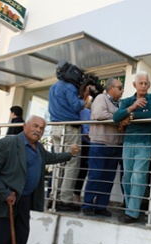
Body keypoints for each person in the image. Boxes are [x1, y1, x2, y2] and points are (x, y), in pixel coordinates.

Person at [0, 115, 79, 244]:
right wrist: (4, 192)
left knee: (18, 241)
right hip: (6, 202)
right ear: (25, 126)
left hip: (25, 201)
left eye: (42, 128)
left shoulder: (38, 148)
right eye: (35, 126)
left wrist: (70, 154)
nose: (38, 130)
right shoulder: (7, 144)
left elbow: (51, 158)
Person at [113, 71, 151, 223]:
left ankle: (132, 212)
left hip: (144, 142)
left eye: (146, 83)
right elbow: (116, 117)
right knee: (127, 177)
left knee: (138, 176)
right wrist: (133, 107)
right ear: (134, 85)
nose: (144, 86)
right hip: (128, 142)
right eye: (141, 83)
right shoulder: (127, 101)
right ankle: (129, 207)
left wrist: (130, 116)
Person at [48, 64, 89, 211]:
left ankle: (54, 197)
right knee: (72, 163)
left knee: (59, 163)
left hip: (55, 128)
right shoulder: (68, 87)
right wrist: (86, 100)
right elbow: (76, 106)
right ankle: (65, 200)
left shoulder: (53, 87)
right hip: (69, 128)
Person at [83, 78, 124, 216]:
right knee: (95, 175)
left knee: (108, 179)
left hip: (115, 146)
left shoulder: (119, 103)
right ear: (111, 88)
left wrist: (119, 119)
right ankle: (87, 205)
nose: (122, 90)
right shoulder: (101, 98)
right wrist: (119, 119)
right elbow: (99, 115)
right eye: (120, 87)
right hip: (100, 144)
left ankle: (101, 206)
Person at [74, 99, 92, 205]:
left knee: (82, 170)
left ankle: (76, 195)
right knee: (82, 170)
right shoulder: (86, 112)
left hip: (86, 143)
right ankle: (76, 195)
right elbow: (85, 131)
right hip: (85, 144)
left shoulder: (88, 112)